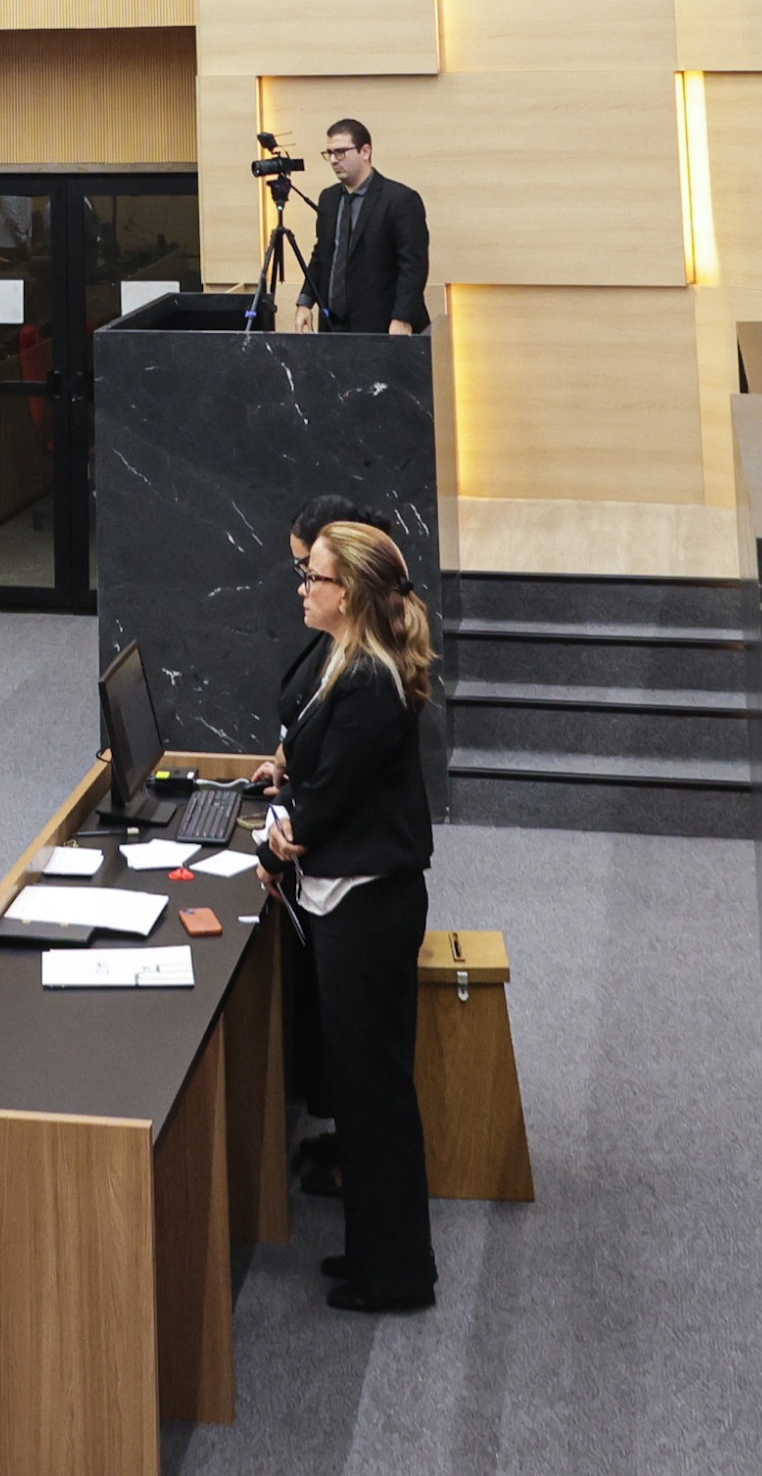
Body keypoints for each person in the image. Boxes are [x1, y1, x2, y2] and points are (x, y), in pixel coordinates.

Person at [270, 518, 440, 1317]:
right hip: (352, 898)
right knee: (364, 1091)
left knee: (375, 1100)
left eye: (316, 578)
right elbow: (320, 771)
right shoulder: (346, 659)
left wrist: (279, 843)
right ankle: (376, 1255)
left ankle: (398, 1276)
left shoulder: (370, 680)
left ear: (352, 595)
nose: (304, 589)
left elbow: (330, 799)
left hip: (368, 908)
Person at [304, 117, 430, 341]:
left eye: (340, 152)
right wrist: (305, 301)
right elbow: (322, 254)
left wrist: (402, 317)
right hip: (333, 326)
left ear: (365, 151)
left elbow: (413, 266)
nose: (333, 160)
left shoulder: (401, 199)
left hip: (384, 325)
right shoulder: (329, 198)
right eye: (329, 153)